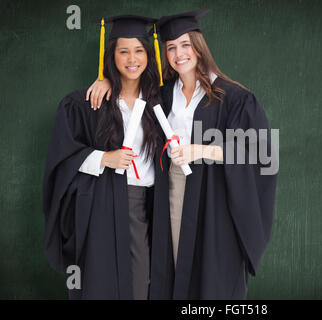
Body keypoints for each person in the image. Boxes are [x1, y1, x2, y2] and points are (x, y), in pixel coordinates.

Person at [86, 9, 277, 299]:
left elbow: (262, 151)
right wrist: (107, 81)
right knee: (175, 265)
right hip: (173, 191)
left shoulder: (232, 97)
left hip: (216, 194)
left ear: (199, 47)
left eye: (185, 45)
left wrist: (201, 150)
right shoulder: (162, 94)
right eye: (171, 47)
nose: (179, 53)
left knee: (213, 271)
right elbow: (130, 91)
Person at [42, 15, 162, 299]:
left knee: (141, 285)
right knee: (99, 284)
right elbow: (61, 157)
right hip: (101, 204)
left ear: (148, 54)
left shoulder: (160, 101)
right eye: (123, 51)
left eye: (139, 50)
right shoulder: (87, 103)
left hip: (146, 206)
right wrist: (103, 158)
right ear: (112, 55)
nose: (132, 59)